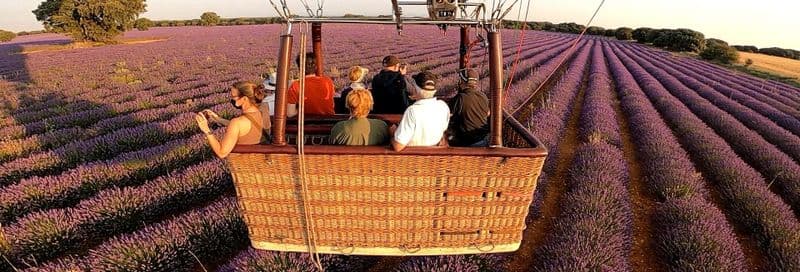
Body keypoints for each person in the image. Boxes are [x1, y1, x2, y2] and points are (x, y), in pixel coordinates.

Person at [196, 81, 270, 159]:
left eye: (233, 97)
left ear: (244, 98)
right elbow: (243, 127)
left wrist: (206, 130)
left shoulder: (237, 123)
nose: (231, 99)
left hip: (243, 165)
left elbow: (222, 153)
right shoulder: (260, 112)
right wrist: (218, 119)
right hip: (258, 161)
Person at [390, 71, 450, 152]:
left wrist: (392, 134)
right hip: (434, 158)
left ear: (416, 89)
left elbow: (398, 146)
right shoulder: (443, 106)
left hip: (413, 160)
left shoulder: (412, 111)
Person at [448, 68, 490, 147]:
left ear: (462, 81)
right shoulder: (483, 96)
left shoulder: (459, 98)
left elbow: (448, 116)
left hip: (467, 142)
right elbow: (488, 113)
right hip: (484, 139)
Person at [287, 52, 336, 117]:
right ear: (316, 67)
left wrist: (299, 110)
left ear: (300, 68)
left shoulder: (296, 85)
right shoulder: (328, 81)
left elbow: (290, 113)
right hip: (329, 122)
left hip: (307, 124)